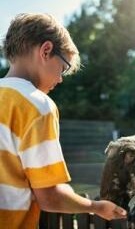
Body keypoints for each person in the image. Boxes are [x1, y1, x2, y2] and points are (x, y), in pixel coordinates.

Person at [0, 13, 127, 229]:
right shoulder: (36, 106)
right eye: (63, 67)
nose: (60, 79)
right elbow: (49, 197)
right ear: (46, 50)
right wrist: (95, 206)